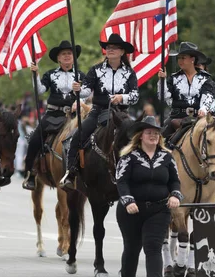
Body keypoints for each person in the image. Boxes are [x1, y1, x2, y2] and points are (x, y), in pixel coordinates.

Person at [115, 115, 183, 277]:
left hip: (159, 209)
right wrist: (128, 201)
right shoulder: (128, 156)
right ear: (141, 135)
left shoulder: (167, 157)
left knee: (153, 247)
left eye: (156, 133)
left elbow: (175, 181)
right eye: (149, 133)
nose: (153, 136)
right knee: (132, 247)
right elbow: (121, 182)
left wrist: (176, 195)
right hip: (132, 210)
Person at [60, 33, 139, 190]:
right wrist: (78, 89)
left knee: (138, 139)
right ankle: (71, 173)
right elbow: (86, 91)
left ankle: (138, 173)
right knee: (77, 136)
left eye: (114, 48)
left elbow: (135, 96)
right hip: (97, 112)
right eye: (108, 47)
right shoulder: (96, 70)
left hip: (122, 115)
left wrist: (121, 98)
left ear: (122, 52)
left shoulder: (129, 73)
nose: (110, 50)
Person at [22, 41, 87, 190]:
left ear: (74, 57)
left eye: (69, 53)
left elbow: (85, 92)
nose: (67, 56)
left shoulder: (81, 75)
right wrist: (35, 74)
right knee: (34, 139)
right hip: (53, 115)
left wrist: (80, 101)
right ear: (58, 58)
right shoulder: (50, 74)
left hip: (73, 116)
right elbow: (39, 90)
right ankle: (31, 173)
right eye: (63, 54)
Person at [158, 42, 215, 141]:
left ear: (192, 59)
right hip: (176, 116)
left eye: (183, 58)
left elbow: (208, 97)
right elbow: (164, 97)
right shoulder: (173, 78)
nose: (180, 61)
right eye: (179, 58)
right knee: (160, 140)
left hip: (199, 117)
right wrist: (162, 80)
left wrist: (203, 110)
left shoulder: (205, 79)